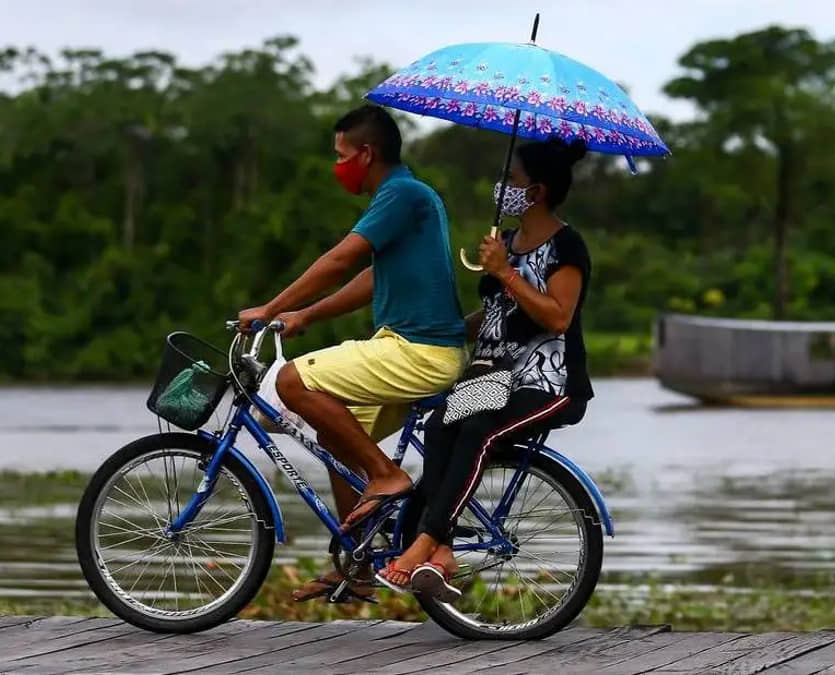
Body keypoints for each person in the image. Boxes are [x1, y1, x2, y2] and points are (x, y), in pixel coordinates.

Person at [237, 104, 467, 602]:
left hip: (419, 352)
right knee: (339, 439)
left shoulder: (402, 193)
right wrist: (305, 315)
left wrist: (271, 306)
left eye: (342, 155)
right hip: (408, 349)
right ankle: (357, 563)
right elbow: (369, 279)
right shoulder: (405, 195)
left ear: (367, 153)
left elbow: (342, 258)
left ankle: (388, 475)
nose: (337, 165)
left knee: (291, 382)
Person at [373, 136, 594, 598]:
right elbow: (496, 316)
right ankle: (444, 553)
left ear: (535, 191)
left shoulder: (566, 247)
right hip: (493, 377)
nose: (501, 187)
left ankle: (424, 542)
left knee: (481, 433)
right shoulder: (507, 242)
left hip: (547, 382)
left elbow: (557, 316)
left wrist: (505, 273)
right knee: (441, 427)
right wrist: (446, 329)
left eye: (510, 179)